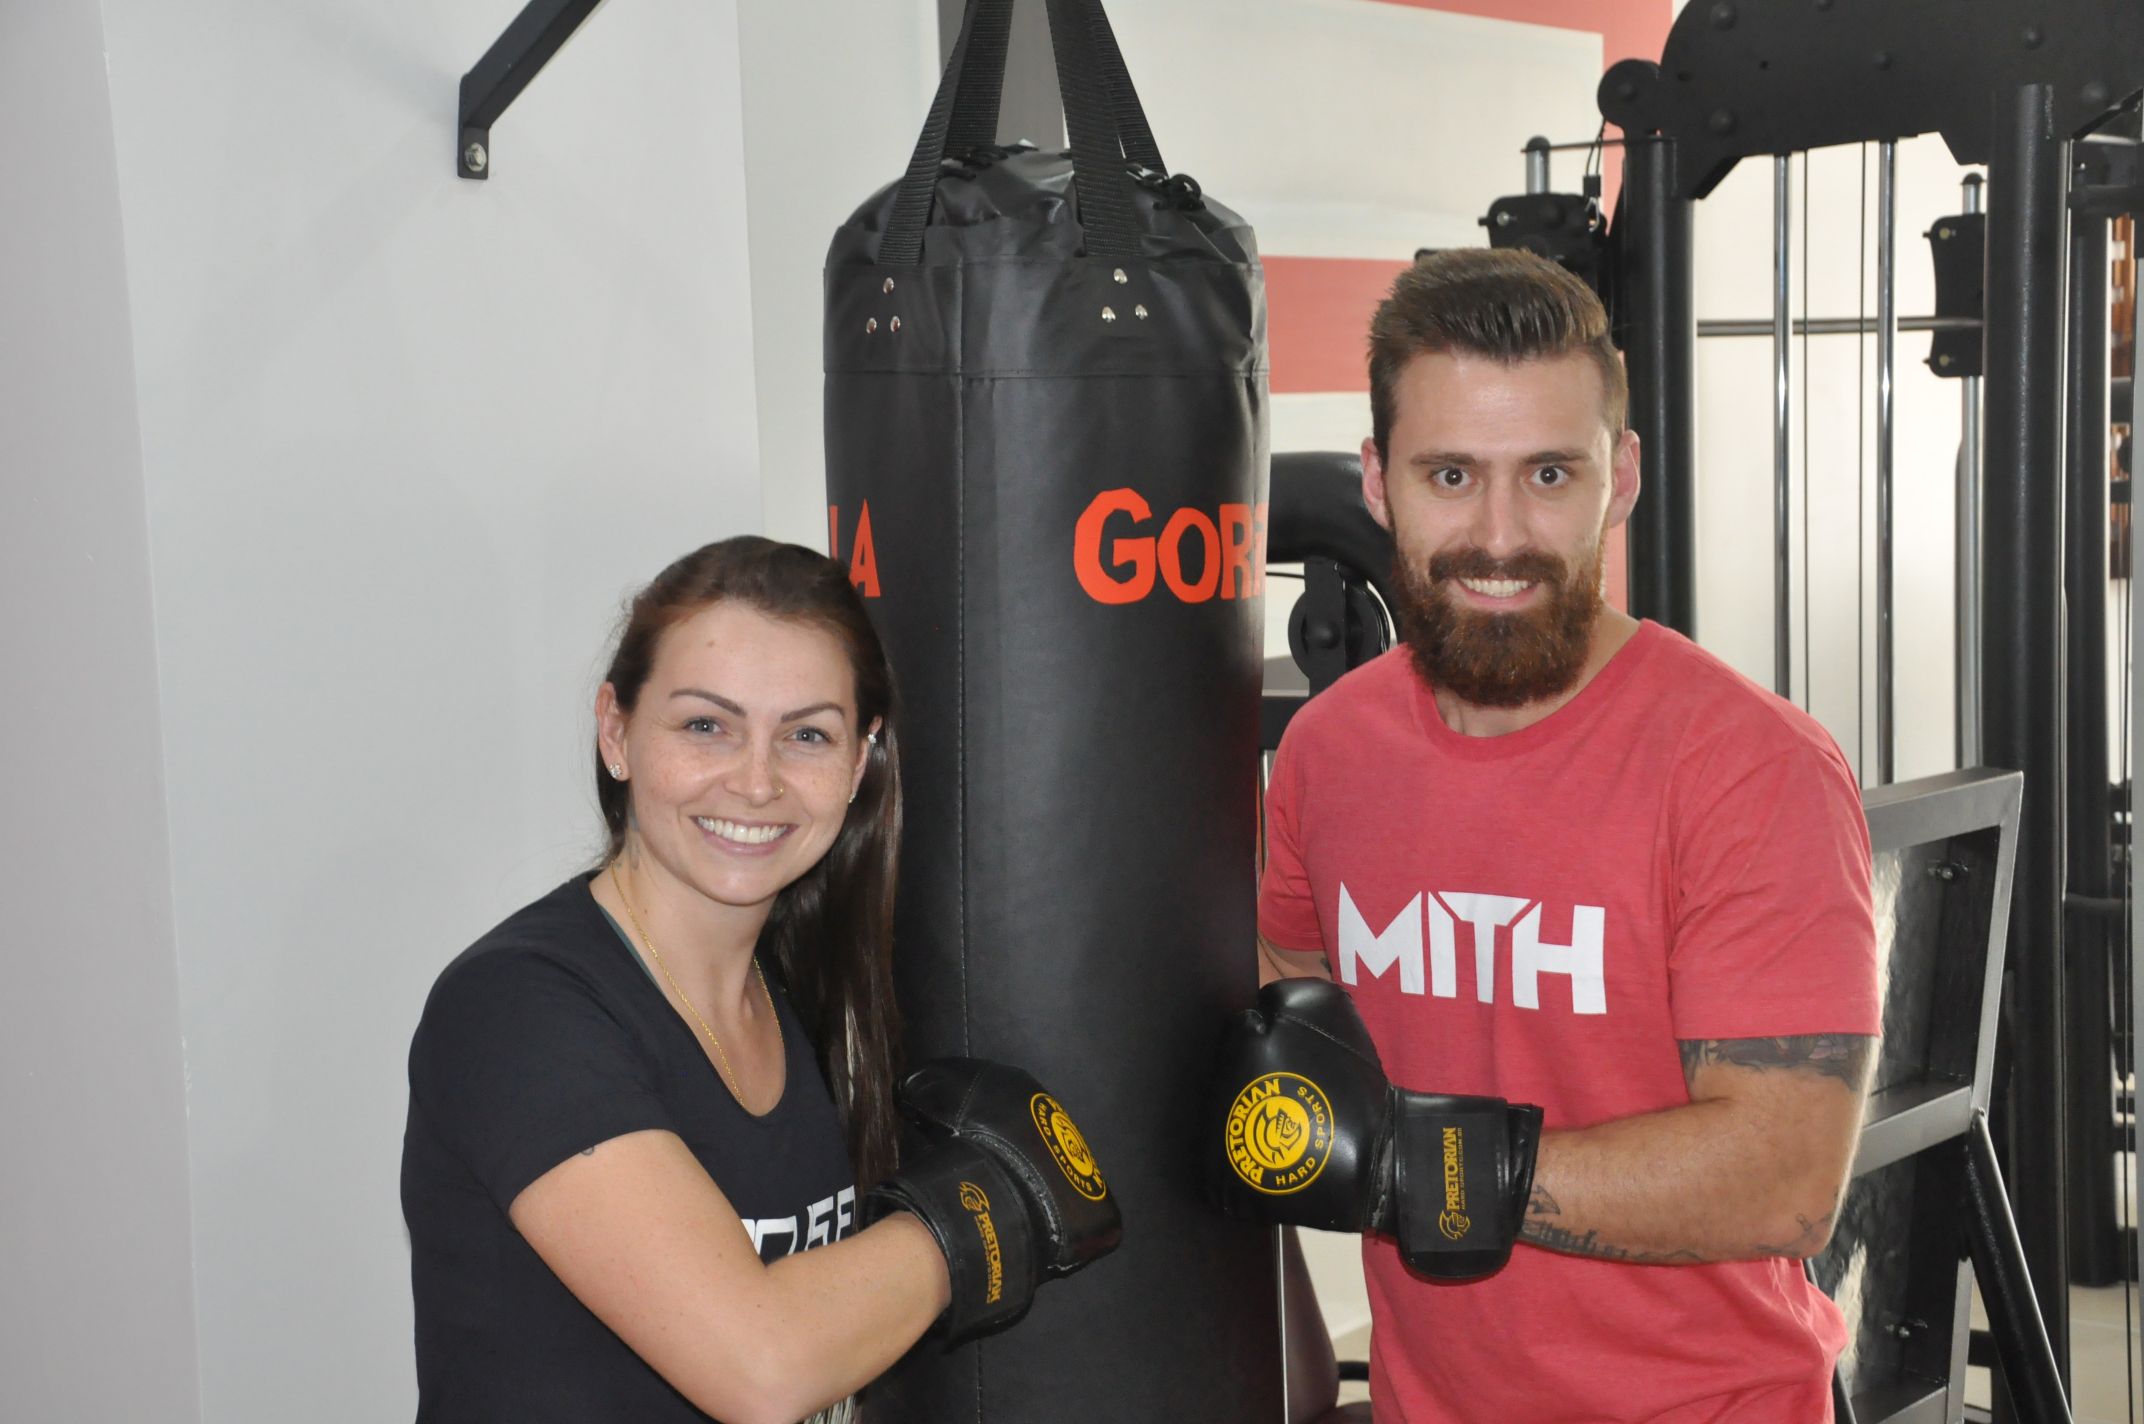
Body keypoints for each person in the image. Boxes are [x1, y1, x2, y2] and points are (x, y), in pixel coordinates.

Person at [1209, 248, 1878, 1421]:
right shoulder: (1328, 748)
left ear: (1619, 477)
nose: (1500, 535)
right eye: (1450, 473)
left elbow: (1784, 1179)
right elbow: (1287, 987)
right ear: (1376, 481)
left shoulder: (1750, 767)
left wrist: (1427, 1168)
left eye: (1549, 474)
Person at [402, 536, 1119, 1424]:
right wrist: (992, 1201)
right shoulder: (519, 1010)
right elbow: (762, 1367)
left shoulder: (796, 1000)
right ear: (617, 733)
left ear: (860, 764)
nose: (755, 780)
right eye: (707, 725)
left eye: (806, 735)